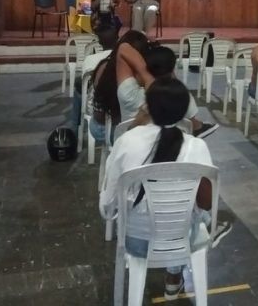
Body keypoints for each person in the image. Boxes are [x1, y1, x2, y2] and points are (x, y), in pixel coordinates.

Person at [99, 77, 232, 301]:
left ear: (147, 106)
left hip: (136, 241)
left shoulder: (126, 142)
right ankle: (173, 277)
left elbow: (107, 207)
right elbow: (206, 203)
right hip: (182, 240)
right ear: (183, 112)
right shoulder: (197, 147)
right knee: (188, 220)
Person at [130, 45, 218, 138]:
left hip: (142, 137)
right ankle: (198, 127)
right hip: (177, 136)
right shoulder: (182, 95)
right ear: (172, 68)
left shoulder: (137, 93)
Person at [69, 24, 118, 131]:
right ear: (118, 40)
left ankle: (74, 131)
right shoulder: (122, 60)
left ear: (99, 43)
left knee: (79, 88)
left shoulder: (90, 60)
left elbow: (85, 83)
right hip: (118, 107)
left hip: (95, 109)